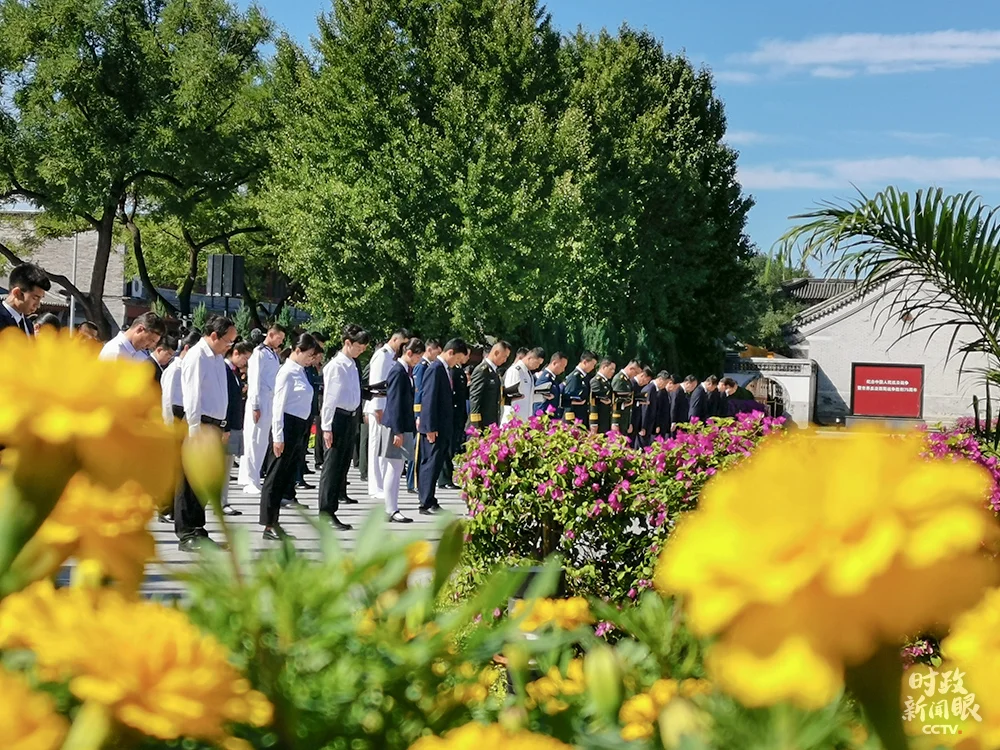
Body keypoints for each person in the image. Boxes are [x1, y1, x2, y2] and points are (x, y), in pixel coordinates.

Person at [176, 317, 237, 551]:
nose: (229, 346)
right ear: (214, 336)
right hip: (198, 424)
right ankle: (187, 534)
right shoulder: (197, 356)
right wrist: (194, 430)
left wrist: (222, 425)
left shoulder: (217, 358)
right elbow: (192, 395)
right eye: (228, 341)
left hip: (213, 425)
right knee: (189, 480)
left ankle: (199, 529)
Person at [260, 334, 324, 541]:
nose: (311, 359)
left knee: (284, 478)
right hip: (286, 427)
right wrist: (278, 436)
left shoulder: (301, 371)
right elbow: (278, 406)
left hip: (298, 428)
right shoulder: (286, 372)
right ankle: (268, 524)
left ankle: (275, 522)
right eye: (309, 354)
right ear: (298, 350)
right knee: (275, 477)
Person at [319, 325, 371, 531]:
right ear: (347, 343)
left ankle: (333, 508)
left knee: (342, 466)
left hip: (350, 418)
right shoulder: (336, 366)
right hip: (337, 419)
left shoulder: (352, 364)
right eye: (359, 346)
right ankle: (325, 512)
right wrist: (326, 427)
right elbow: (329, 399)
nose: (361, 350)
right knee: (331, 467)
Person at [418, 338, 468, 514]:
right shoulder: (435, 369)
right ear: (450, 352)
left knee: (436, 463)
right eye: (457, 358)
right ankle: (425, 502)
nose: (457, 363)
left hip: (443, 426)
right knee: (430, 464)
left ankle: (431, 498)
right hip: (434, 427)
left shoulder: (445, 369)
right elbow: (429, 399)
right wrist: (430, 427)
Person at [379, 337, 424, 523]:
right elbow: (395, 402)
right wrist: (397, 431)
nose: (418, 361)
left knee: (397, 468)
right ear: (409, 353)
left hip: (402, 425)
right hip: (395, 426)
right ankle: (390, 508)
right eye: (417, 357)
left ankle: (392, 507)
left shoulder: (405, 371)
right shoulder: (398, 371)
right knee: (394, 467)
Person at [158, 330, 200, 525]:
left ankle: (175, 508)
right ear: (186, 348)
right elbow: (167, 400)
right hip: (174, 418)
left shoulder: (188, 368)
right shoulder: (175, 369)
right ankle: (164, 508)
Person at [364, 328, 411, 502]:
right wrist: (377, 409)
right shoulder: (382, 355)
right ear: (396, 340)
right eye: (403, 344)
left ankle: (382, 484)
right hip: (380, 408)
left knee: (383, 449)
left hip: (387, 408)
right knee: (376, 447)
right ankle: (376, 486)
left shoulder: (390, 357)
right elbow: (376, 385)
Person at [239, 324, 285, 495]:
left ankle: (255, 476)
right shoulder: (258, 353)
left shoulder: (271, 354)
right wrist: (255, 405)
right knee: (253, 439)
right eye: (279, 338)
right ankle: (249, 479)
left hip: (270, 399)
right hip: (260, 400)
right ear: (271, 335)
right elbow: (255, 380)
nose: (280, 342)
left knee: (262, 441)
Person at [220, 341, 253, 516]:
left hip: (234, 424)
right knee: (223, 467)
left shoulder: (234, 373)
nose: (245, 363)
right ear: (236, 353)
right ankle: (221, 501)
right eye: (245, 358)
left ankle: (222, 499)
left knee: (227, 465)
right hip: (228, 425)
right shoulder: (225, 370)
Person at [408, 338, 441, 493]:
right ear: (430, 350)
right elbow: (419, 392)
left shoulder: (428, 366)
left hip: (423, 414)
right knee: (416, 451)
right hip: (420, 414)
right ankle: (412, 482)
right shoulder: (421, 367)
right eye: (437, 351)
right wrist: (418, 414)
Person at [439, 348, 470, 489]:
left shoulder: (458, 369)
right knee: (448, 447)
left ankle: (447, 477)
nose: (466, 358)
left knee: (452, 446)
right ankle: (444, 478)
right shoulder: (453, 370)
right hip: (453, 411)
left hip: (458, 412)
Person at [0, 263, 50, 336]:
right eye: (35, 298)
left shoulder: (28, 324)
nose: (38, 305)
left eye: (40, 298)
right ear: (17, 293)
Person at [469, 341, 509, 429]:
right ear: (496, 353)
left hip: (492, 422)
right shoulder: (482, 370)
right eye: (504, 356)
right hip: (483, 423)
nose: (505, 360)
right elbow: (475, 398)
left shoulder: (495, 372)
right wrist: (476, 426)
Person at [98, 311, 164, 361]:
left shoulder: (140, 354)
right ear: (140, 329)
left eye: (154, 342)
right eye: (150, 340)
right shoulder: (115, 352)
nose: (149, 346)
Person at [502, 346, 543, 424]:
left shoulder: (528, 373)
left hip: (524, 419)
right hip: (514, 420)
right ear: (530, 358)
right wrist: (512, 421)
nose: (537, 366)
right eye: (537, 363)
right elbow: (510, 398)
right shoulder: (516, 371)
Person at [562, 351, 598, 426]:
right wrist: (570, 424)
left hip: (582, 419)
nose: (593, 367)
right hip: (575, 421)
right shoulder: (574, 377)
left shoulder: (585, 377)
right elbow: (568, 401)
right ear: (585, 362)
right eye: (592, 364)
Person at [611, 360, 641, 435]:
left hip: (624, 421)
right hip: (619, 421)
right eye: (636, 373)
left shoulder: (627, 380)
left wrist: (629, 422)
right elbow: (616, 402)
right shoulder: (620, 380)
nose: (635, 375)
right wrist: (615, 423)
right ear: (631, 369)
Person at [533, 352, 567, 417]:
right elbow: (539, 402)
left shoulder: (552, 378)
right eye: (562, 366)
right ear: (554, 363)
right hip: (545, 419)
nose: (563, 370)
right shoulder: (545, 378)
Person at [588, 358, 617, 434]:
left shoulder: (607, 383)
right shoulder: (596, 381)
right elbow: (593, 403)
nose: (613, 371)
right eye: (611, 369)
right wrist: (593, 423)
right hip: (599, 422)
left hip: (606, 421)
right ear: (604, 367)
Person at [630, 366, 654, 445]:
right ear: (642, 375)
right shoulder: (631, 384)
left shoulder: (640, 387)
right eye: (647, 380)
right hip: (630, 422)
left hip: (636, 423)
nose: (646, 383)